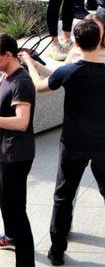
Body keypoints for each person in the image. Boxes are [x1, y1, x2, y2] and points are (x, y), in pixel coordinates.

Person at [19, 19, 105, 265]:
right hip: (103, 142)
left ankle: (57, 251)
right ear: (98, 41)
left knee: (63, 195)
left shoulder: (68, 70)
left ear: (77, 43)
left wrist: (30, 62)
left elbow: (40, 87)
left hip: (72, 142)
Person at [0, 33, 35, 266]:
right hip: (6, 153)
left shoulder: (21, 81)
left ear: (8, 55)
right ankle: (10, 236)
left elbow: (22, 122)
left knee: (16, 212)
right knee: (9, 207)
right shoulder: (7, 75)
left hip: (15, 156)